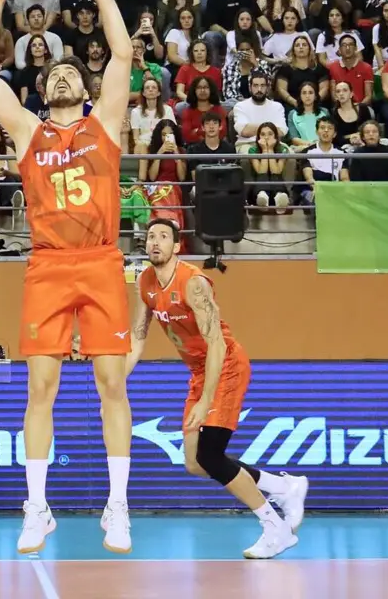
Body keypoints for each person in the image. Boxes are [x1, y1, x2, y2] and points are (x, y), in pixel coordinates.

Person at [0, 0, 135, 555]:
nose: (63, 74)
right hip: (46, 266)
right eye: (53, 74)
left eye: (71, 70)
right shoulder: (28, 132)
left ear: (84, 88)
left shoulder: (106, 124)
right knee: (40, 389)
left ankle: (116, 507)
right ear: (44, 93)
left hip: (99, 262)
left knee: (111, 387)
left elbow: (121, 50)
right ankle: (35, 507)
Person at [126, 219, 307, 558]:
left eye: (164, 237)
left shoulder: (193, 283)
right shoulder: (145, 282)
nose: (155, 241)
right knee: (195, 463)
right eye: (151, 236)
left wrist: (205, 399)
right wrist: (115, 386)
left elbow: (218, 345)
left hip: (225, 364)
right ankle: (284, 486)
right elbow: (137, 338)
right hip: (199, 370)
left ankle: (275, 527)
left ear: (177, 247)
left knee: (210, 454)